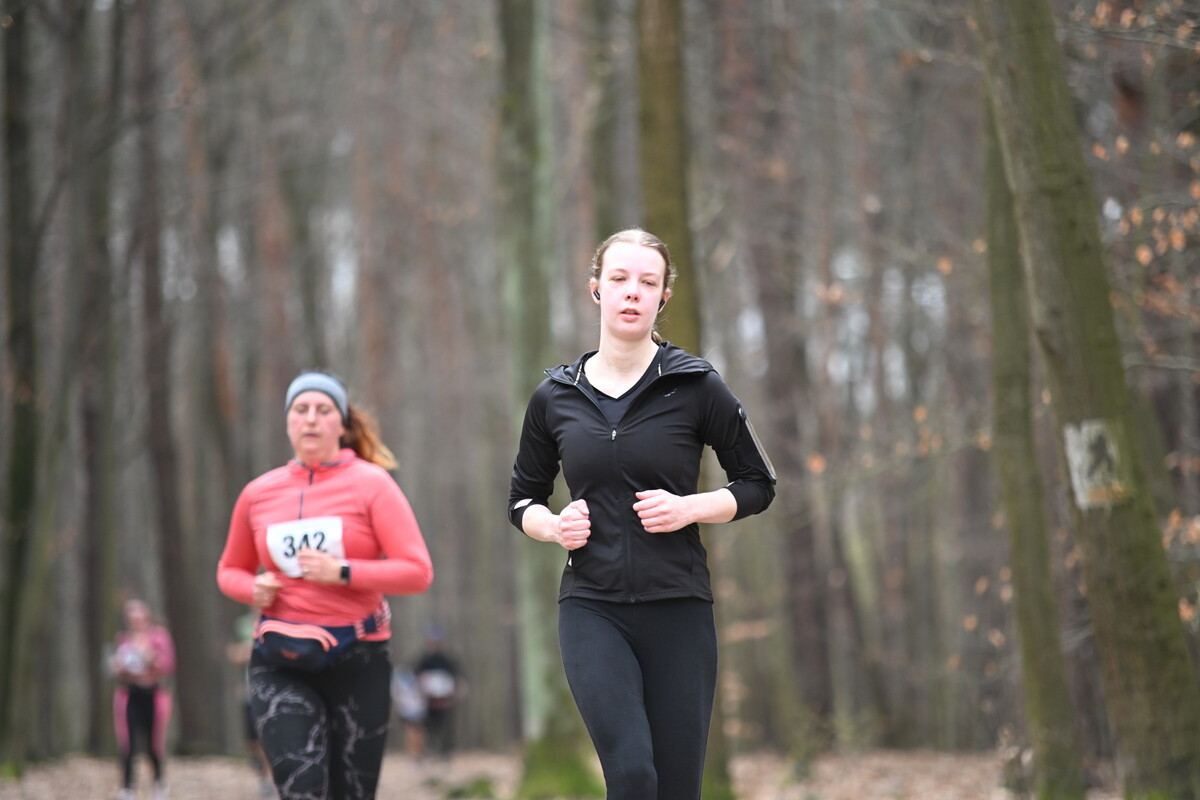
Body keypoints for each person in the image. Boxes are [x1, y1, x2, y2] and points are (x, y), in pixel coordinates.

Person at [507, 228, 776, 799]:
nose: (633, 292)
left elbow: (758, 483)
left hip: (679, 608)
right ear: (596, 290)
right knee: (631, 774)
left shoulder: (697, 385)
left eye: (647, 282)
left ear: (663, 298)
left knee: (677, 789)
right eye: (620, 279)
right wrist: (553, 526)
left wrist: (689, 508)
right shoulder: (555, 395)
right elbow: (521, 500)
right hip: (592, 607)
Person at [217, 370, 434, 800]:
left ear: (342, 423)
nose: (311, 419)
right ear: (287, 422)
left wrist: (344, 572)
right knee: (303, 790)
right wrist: (251, 589)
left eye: (323, 410)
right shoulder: (258, 494)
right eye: (300, 410)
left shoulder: (372, 484)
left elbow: (417, 571)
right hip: (281, 659)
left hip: (359, 657)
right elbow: (229, 570)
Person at [110, 597, 175, 800]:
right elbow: (117, 667)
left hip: (153, 694)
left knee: (153, 743)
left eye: (139, 613)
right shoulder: (122, 639)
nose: (135, 618)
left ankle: (158, 782)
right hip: (129, 694)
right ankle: (127, 787)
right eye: (131, 613)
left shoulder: (159, 637)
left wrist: (149, 656)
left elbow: (168, 666)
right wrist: (118, 666)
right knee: (127, 742)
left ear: (147, 615)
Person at [226, 612, 275, 797]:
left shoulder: (277, 619)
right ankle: (262, 775)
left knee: (265, 739)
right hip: (248, 692)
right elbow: (233, 654)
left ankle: (269, 778)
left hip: (270, 691)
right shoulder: (243, 624)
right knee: (252, 742)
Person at [413, 623, 465, 759]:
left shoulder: (447, 659)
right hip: (427, 701)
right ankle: (427, 752)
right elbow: (416, 677)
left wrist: (456, 691)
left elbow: (457, 678)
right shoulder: (424, 660)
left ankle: (446, 753)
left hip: (445, 700)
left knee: (446, 726)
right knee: (427, 727)